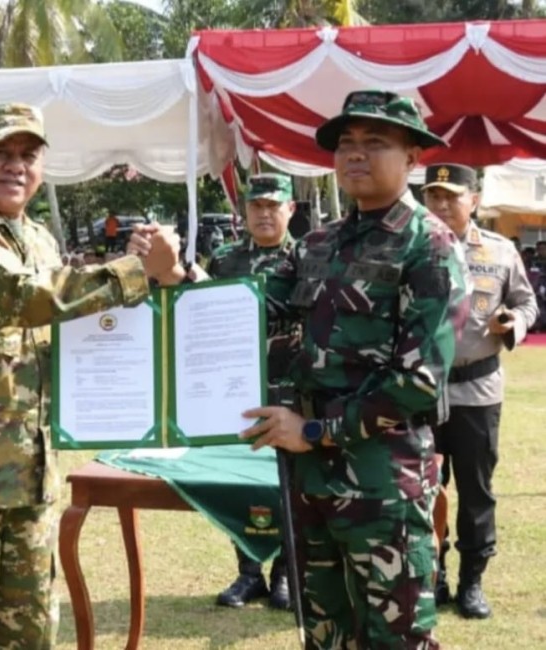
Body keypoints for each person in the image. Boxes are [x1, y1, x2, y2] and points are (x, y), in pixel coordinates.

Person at [0, 103, 183, 649]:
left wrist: (153, 283)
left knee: (28, 635)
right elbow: (23, 298)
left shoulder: (38, 239)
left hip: (28, 475)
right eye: (0, 153)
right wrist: (133, 272)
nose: (15, 166)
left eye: (28, 155)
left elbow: (65, 335)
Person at [240, 90, 470, 649]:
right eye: (346, 144)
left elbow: (417, 384)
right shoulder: (317, 245)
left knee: (397, 639)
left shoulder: (431, 248)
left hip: (382, 488)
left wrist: (314, 431)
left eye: (376, 143)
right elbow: (247, 309)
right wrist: (175, 280)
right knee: (325, 636)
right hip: (312, 484)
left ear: (413, 157)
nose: (356, 155)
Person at [422, 163, 539, 618]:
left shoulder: (501, 250)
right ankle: (432, 575)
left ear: (475, 198)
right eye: (434, 195)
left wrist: (514, 321)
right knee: (423, 489)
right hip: (421, 392)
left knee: (475, 492)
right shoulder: (412, 249)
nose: (442, 204)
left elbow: (526, 300)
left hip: (478, 391)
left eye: (452, 195)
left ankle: (472, 582)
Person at [209, 173, 298, 611]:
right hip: (235, 392)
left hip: (289, 391)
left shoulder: (306, 258)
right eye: (256, 206)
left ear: (290, 209)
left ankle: (285, 573)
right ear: (244, 211)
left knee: (285, 485)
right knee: (239, 483)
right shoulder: (223, 261)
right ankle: (249, 574)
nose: (264, 213)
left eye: (273, 205)